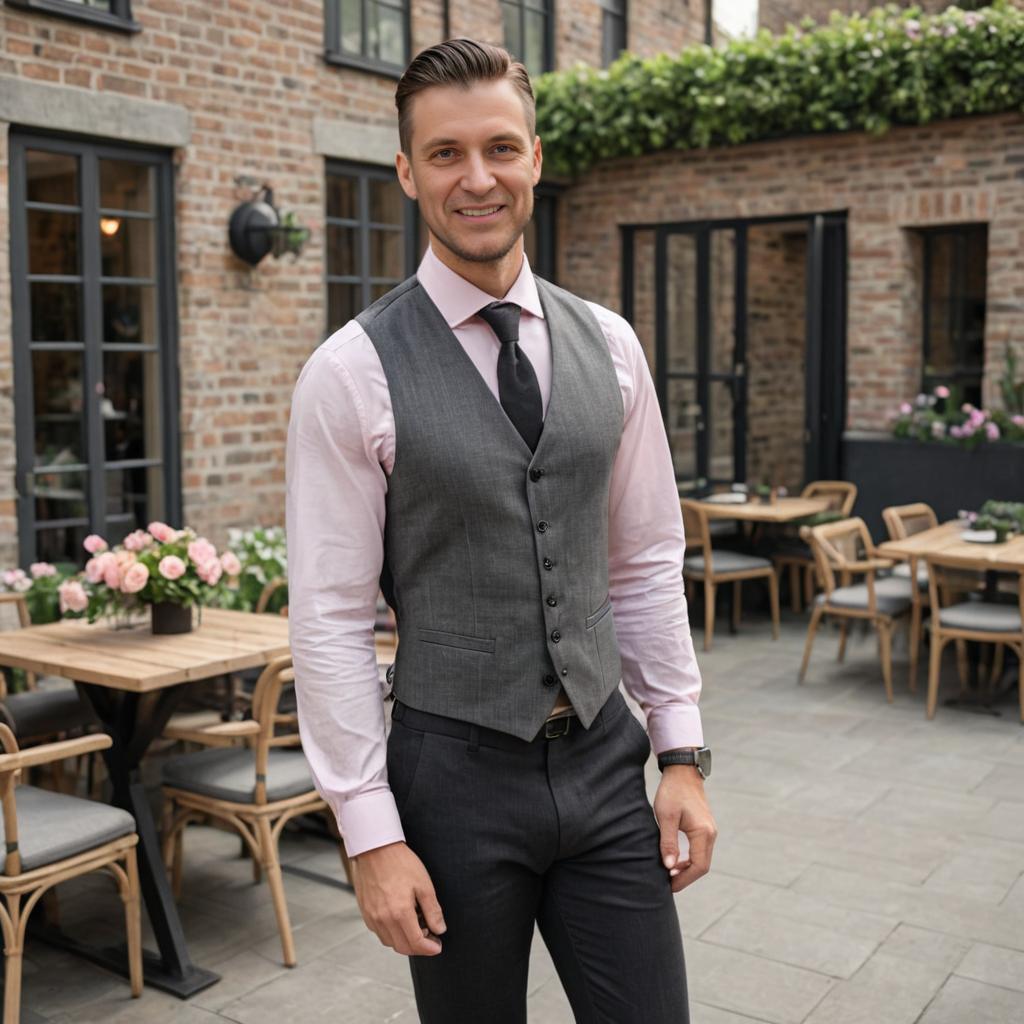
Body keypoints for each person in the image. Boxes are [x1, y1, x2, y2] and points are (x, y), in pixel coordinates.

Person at [286, 38, 716, 1023]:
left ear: (534, 156)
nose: (475, 177)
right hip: (452, 784)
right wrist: (369, 830)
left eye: (499, 148)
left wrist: (680, 755)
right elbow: (332, 615)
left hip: (607, 764)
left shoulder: (610, 345)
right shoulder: (349, 374)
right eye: (444, 154)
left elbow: (644, 557)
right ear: (406, 171)